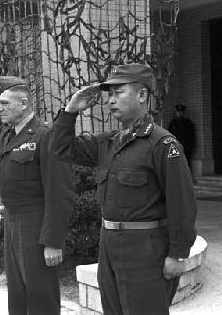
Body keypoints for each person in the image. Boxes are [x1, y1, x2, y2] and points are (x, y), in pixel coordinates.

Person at [50, 63, 197, 315]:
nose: (111, 101)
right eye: (109, 94)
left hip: (145, 248)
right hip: (109, 244)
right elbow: (59, 149)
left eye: (119, 93)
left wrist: (178, 253)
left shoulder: (162, 144)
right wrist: (70, 111)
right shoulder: (108, 143)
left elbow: (181, 202)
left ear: (141, 96)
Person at [0, 76, 74, 315]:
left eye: (4, 104)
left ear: (24, 104)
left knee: (40, 293)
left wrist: (52, 241)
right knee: (17, 292)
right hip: (13, 220)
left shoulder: (45, 135)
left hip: (36, 221)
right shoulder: (6, 134)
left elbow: (59, 192)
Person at [168, 104, 195, 169]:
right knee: (175, 163)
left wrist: (190, 147)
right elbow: (169, 135)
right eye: (178, 112)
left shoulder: (188, 123)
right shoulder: (172, 123)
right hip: (175, 146)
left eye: (181, 112)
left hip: (185, 146)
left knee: (186, 163)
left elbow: (191, 136)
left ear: (183, 113)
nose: (179, 113)